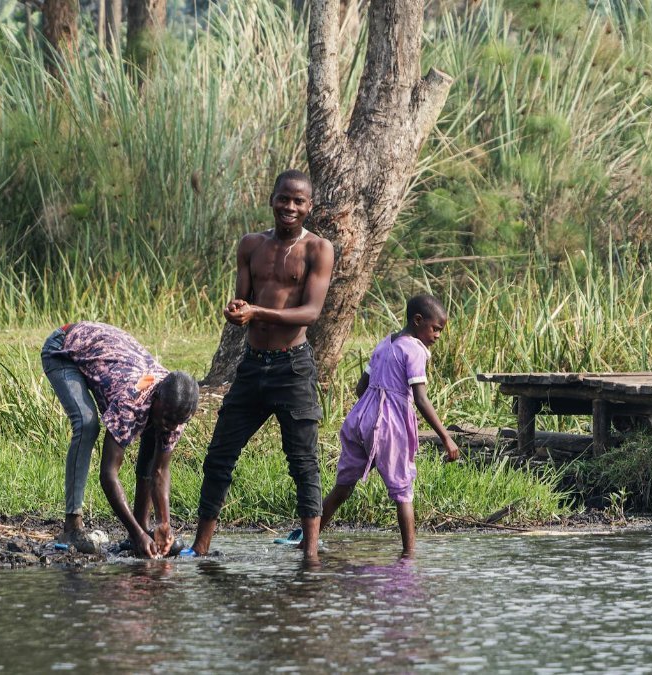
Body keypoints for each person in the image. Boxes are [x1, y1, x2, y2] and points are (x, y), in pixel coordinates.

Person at [185, 169, 335, 559]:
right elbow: (242, 301)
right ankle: (200, 548)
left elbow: (310, 312)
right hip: (252, 366)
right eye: (284, 199)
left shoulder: (319, 249)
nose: (290, 207)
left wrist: (257, 312)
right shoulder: (251, 245)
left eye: (298, 201)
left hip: (293, 368)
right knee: (219, 455)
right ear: (272, 200)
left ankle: (311, 554)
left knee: (303, 462)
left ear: (309, 207)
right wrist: (236, 311)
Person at [41, 322, 200, 558]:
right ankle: (72, 526)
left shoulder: (176, 409)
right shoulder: (132, 401)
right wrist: (137, 534)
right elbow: (108, 474)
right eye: (166, 418)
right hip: (64, 347)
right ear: (156, 398)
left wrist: (163, 524)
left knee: (152, 432)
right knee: (86, 424)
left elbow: (158, 471)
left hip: (107, 353)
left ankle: (141, 527)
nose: (170, 426)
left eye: (176, 422)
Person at [318, 294, 460, 556]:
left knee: (343, 486)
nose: (438, 335)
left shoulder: (385, 343)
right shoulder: (415, 350)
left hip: (359, 421)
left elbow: (361, 387)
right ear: (418, 321)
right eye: (435, 329)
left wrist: (373, 411)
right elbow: (420, 398)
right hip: (389, 427)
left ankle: (308, 540)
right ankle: (409, 556)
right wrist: (446, 437)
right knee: (403, 490)